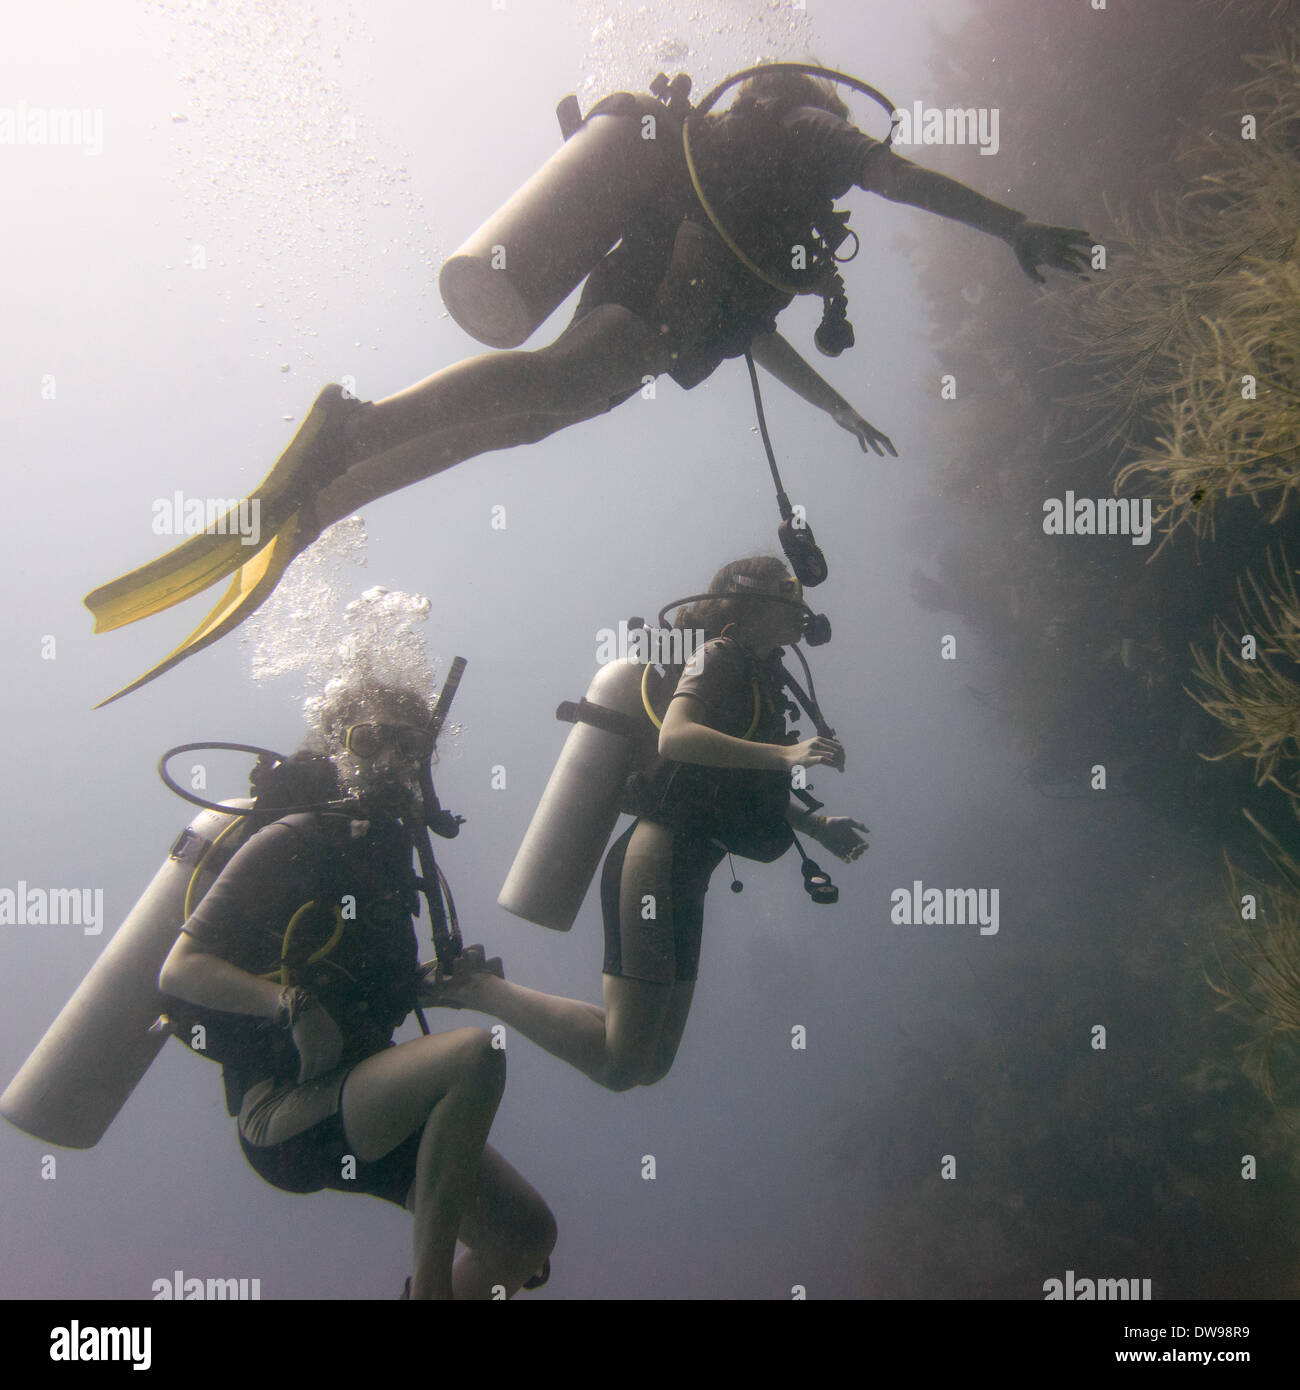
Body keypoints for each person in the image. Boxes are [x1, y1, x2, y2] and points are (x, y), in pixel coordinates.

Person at [87, 66, 1089, 699]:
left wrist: (842, 409)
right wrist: (1013, 228)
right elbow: (896, 178)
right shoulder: (805, 139)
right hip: (652, 290)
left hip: (664, 309)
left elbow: (750, 340)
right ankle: (352, 428)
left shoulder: (778, 202)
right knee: (560, 382)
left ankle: (328, 495)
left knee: (527, 420)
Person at [157, 678, 556, 1300]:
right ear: (339, 747)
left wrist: (436, 985)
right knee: (476, 1055)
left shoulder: (391, 861)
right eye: (372, 741)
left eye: (410, 747)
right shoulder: (293, 838)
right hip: (285, 1114)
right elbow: (179, 968)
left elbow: (364, 989)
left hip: (366, 1098)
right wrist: (293, 1007)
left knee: (526, 1238)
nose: (393, 762)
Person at [427, 555, 867, 1091]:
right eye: (788, 590)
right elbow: (674, 738)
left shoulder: (754, 673)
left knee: (649, 1063)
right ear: (753, 601)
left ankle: (483, 988)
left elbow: (730, 787)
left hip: (688, 870)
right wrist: (786, 754)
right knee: (622, 1064)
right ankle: (480, 989)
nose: (802, 605)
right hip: (656, 862)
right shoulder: (719, 655)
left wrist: (817, 826)